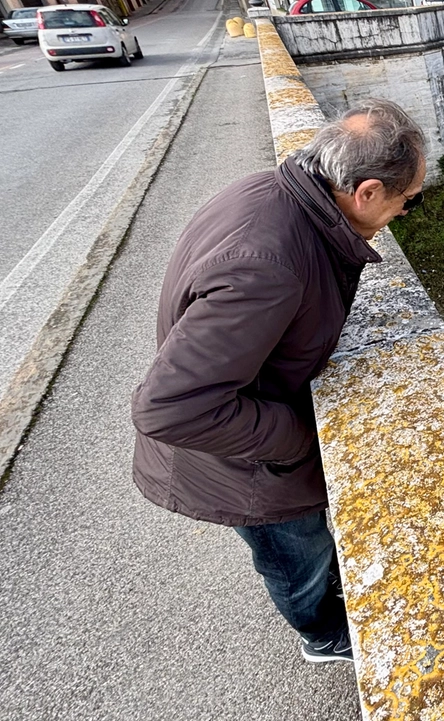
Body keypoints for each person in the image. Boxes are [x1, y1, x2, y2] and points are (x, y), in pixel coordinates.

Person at [130, 98, 427, 664]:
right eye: (408, 200)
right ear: (366, 192)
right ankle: (322, 635)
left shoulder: (274, 193)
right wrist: (296, 441)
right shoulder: (269, 264)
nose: (407, 211)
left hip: (250, 434)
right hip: (244, 466)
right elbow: (168, 408)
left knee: (310, 547)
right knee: (296, 560)